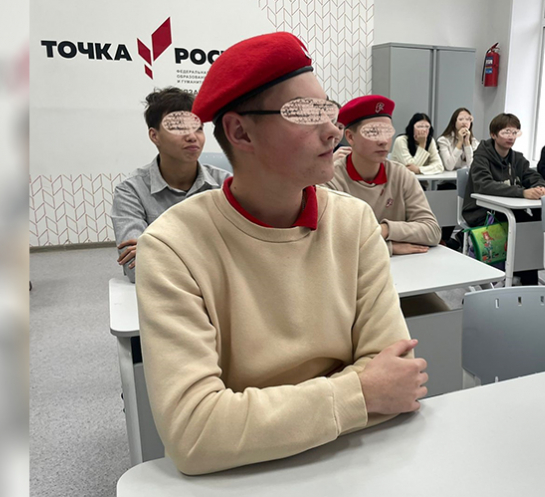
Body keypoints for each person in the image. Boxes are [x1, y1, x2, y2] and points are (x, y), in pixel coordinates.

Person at [135, 32, 428, 475]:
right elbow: (195, 433)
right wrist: (361, 394)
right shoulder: (173, 246)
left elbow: (396, 377)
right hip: (245, 480)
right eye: (305, 113)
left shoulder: (353, 223)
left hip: (357, 464)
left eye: (327, 109)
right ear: (240, 132)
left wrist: (253, 422)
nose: (332, 129)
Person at [110, 87, 231, 282]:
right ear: (154, 136)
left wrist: (160, 249)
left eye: (198, 128)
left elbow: (245, 255)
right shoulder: (131, 191)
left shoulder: (225, 184)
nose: (192, 136)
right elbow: (136, 268)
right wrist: (211, 252)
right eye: (178, 127)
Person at [324, 95, 442, 256]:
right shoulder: (331, 179)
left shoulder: (401, 175)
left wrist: (385, 230)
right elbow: (329, 242)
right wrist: (389, 248)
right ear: (350, 137)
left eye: (387, 132)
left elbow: (432, 231)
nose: (383, 141)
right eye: (373, 132)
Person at [461, 113, 545, 286]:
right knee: (520, 226)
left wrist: (540, 187)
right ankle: (518, 279)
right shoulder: (481, 157)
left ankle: (525, 276)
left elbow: (533, 176)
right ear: (493, 134)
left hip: (508, 211)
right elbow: (484, 185)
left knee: (533, 223)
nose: (511, 137)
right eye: (506, 132)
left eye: (514, 132)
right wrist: (522, 193)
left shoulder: (517, 158)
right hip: (481, 211)